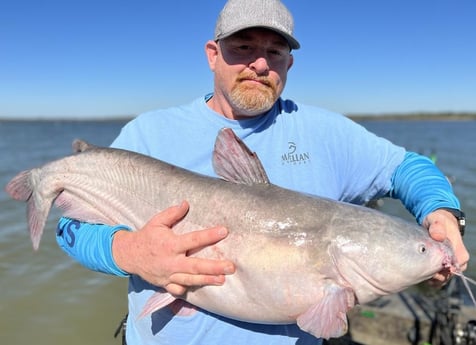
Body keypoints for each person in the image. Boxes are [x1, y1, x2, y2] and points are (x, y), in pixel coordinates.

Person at [55, 0, 469, 344]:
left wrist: (441, 213)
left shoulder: (325, 132)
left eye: (274, 52)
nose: (259, 63)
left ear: (290, 62)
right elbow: (70, 229)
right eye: (243, 47)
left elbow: (406, 167)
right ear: (212, 55)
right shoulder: (147, 133)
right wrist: (131, 253)